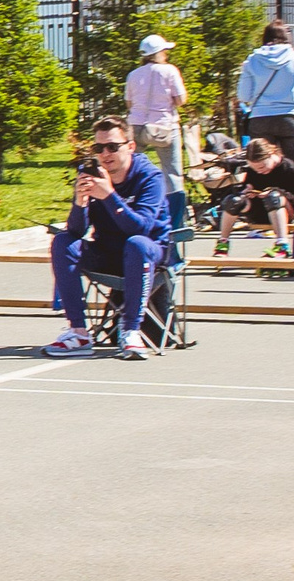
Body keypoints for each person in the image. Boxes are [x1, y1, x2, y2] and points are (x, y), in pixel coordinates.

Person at [46, 115, 171, 359]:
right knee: (63, 242)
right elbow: (76, 231)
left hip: (148, 253)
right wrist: (80, 202)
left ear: (130, 147)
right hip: (107, 251)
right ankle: (78, 332)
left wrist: (110, 196)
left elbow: (141, 228)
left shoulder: (150, 177)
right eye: (99, 148)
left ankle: (131, 332)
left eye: (113, 147)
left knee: (137, 244)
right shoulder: (93, 174)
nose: (105, 154)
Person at [235, 20, 294, 192]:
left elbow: (243, 96)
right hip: (291, 118)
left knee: (261, 167)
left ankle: (264, 203)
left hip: (260, 118)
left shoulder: (252, 60)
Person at [210, 137, 294, 252]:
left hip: (285, 212)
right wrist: (247, 191)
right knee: (234, 201)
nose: (259, 171)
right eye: (255, 169)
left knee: (273, 197)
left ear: (271, 155)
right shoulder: (254, 170)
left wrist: (275, 191)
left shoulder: (288, 167)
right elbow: (248, 186)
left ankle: (282, 245)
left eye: (262, 167)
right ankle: (223, 242)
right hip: (260, 210)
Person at [124, 32, 191, 180]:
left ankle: (130, 192)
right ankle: (174, 195)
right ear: (158, 53)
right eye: (164, 51)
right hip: (164, 125)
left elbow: (129, 103)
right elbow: (181, 99)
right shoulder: (170, 70)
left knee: (129, 168)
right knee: (172, 171)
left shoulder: (133, 75)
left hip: (136, 125)